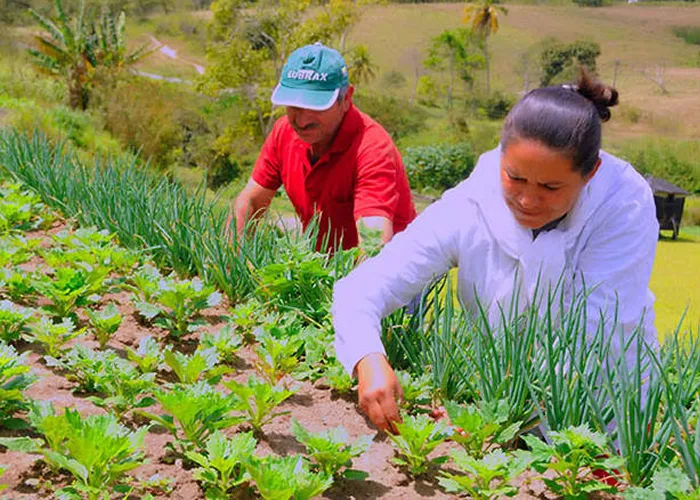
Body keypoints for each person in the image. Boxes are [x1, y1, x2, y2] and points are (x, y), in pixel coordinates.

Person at [332, 71, 660, 433]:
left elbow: (595, 344)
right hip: (498, 406)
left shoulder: (622, 205)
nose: (527, 200)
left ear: (591, 173)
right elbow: (363, 287)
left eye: (551, 187)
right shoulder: (474, 201)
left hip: (601, 413)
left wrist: (492, 416)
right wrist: (368, 357)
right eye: (515, 178)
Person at [228, 42, 417, 252]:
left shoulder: (372, 148)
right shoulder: (284, 132)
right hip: (325, 268)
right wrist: (230, 264)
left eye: (315, 105)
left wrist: (356, 284)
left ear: (345, 99)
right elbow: (251, 202)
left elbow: (374, 241)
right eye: (293, 105)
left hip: (390, 276)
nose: (301, 119)